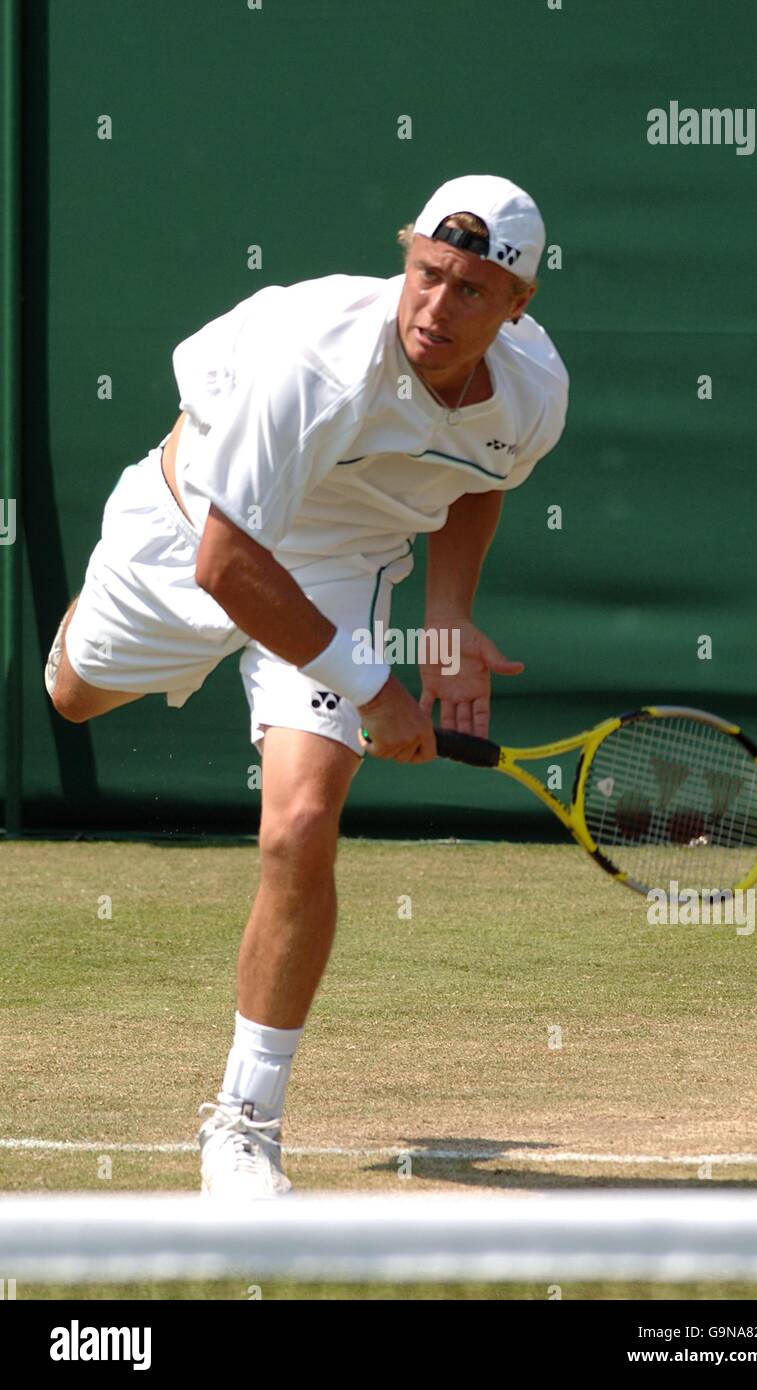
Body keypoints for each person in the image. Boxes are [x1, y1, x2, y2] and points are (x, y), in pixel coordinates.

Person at [46, 174, 569, 1198]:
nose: (434, 305)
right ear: (405, 256)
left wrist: (447, 619)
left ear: (515, 309)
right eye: (425, 271)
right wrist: (376, 690)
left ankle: (243, 1120)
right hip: (192, 524)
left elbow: (476, 478)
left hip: (342, 560)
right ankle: (95, 638)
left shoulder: (533, 391)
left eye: (469, 289)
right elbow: (225, 565)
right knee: (72, 697)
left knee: (297, 824)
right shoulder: (319, 360)